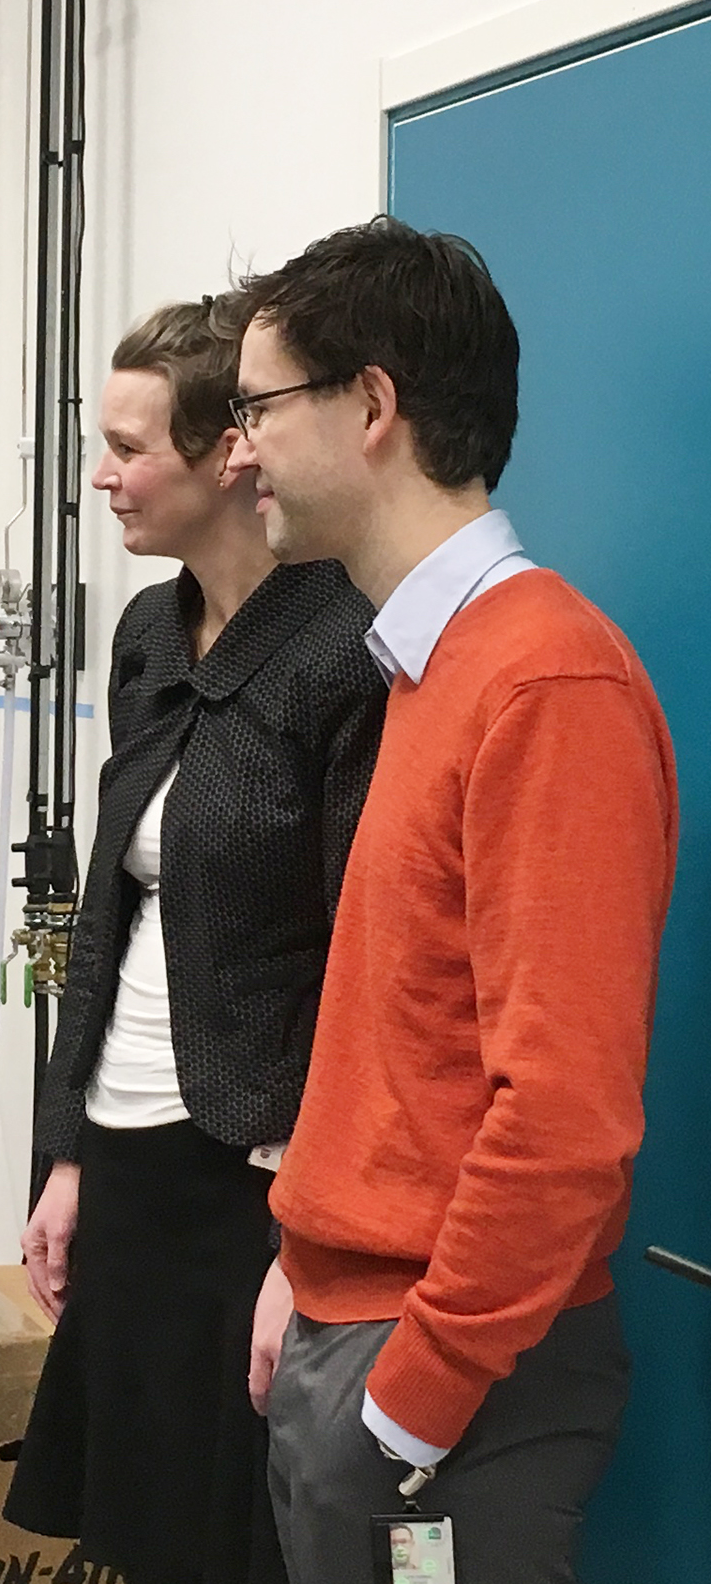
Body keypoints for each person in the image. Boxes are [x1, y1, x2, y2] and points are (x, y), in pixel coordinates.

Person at [228, 218, 676, 1584]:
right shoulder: (434, 667)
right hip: (360, 1329)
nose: (233, 446)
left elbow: (562, 1120)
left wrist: (410, 1396)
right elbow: (411, 1035)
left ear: (371, 404)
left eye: (256, 405)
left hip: (450, 1392)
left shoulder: (546, 683)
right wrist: (307, 1258)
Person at [4, 299, 384, 1584]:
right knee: (144, 1525)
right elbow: (110, 913)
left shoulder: (343, 648)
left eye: (125, 445)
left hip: (257, 1170)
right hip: (130, 1150)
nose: (98, 476)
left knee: (240, 1531)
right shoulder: (148, 633)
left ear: (230, 452)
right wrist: (68, 1155)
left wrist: (312, 1231)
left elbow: (361, 960)